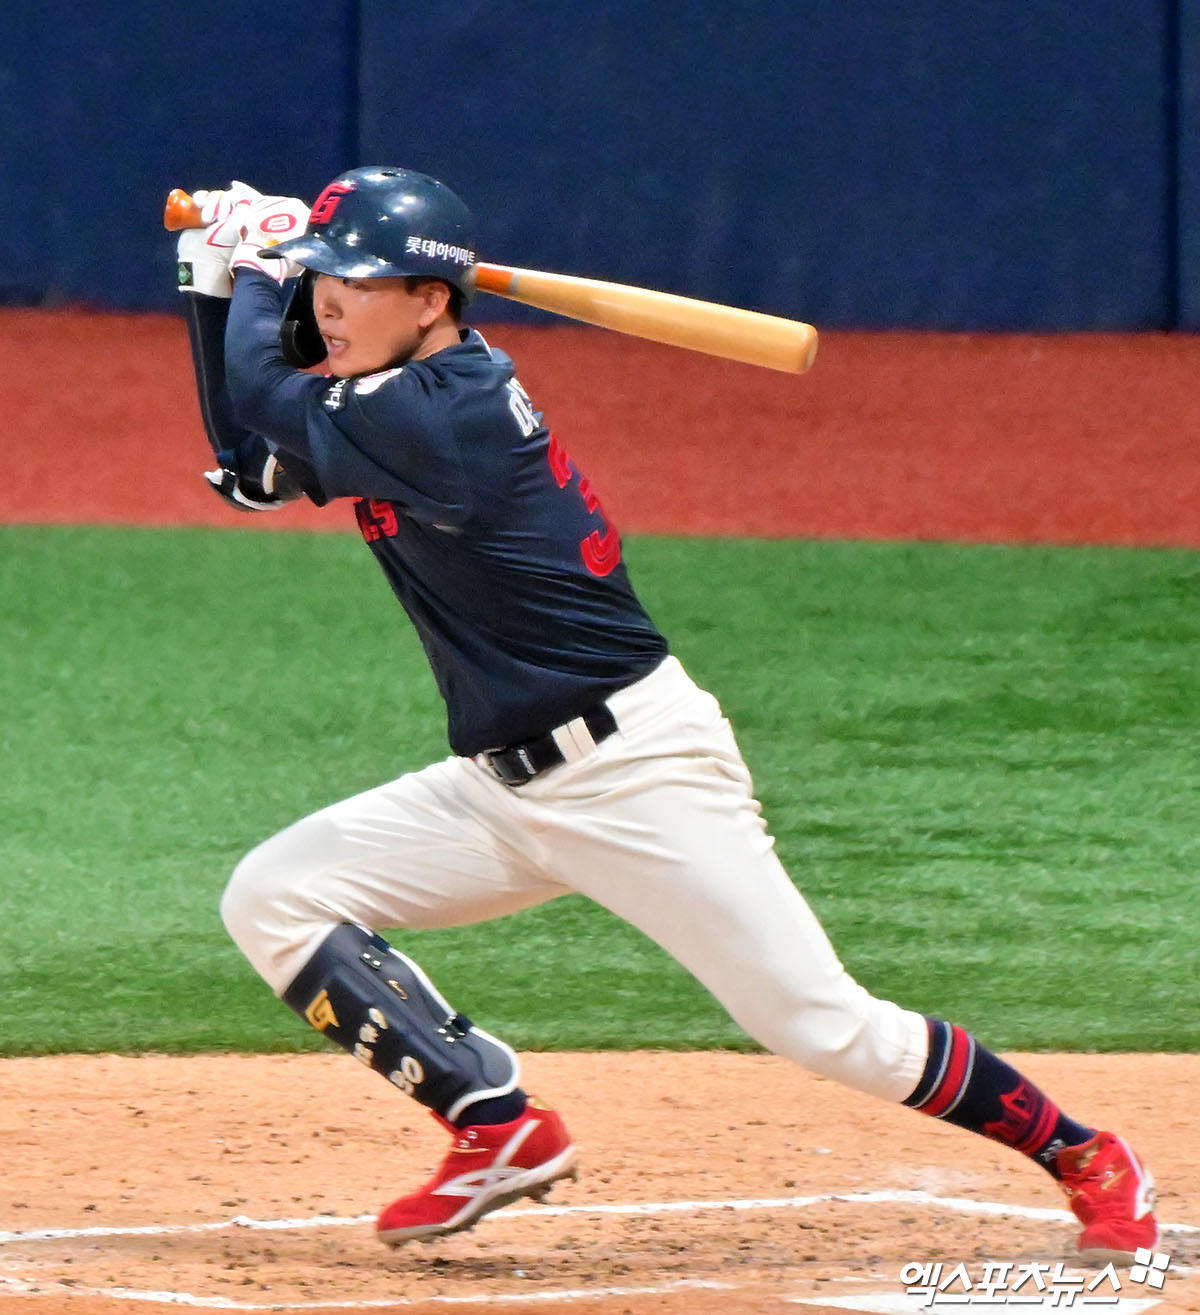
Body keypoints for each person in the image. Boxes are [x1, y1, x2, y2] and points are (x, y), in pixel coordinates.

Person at [174, 166, 1158, 1262]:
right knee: (276, 893)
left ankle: (1085, 1154)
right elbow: (254, 464)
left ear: (434, 301)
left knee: (823, 1025)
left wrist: (257, 268)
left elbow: (270, 398)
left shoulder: (439, 416)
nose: (329, 307)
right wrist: (217, 279)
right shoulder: (392, 403)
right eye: (322, 286)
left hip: (638, 774)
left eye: (355, 285)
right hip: (500, 787)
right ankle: (494, 1122)